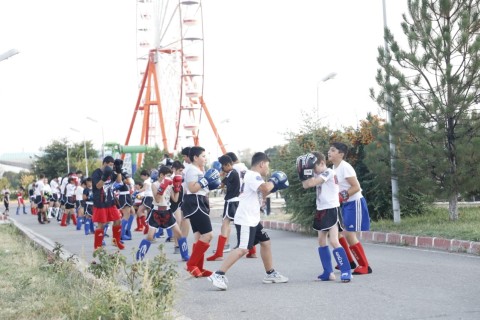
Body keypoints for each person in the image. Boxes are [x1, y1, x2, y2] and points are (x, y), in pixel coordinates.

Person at [208, 152, 289, 290]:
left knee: (265, 242)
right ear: (262, 164)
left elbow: (263, 192)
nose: (268, 170)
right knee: (242, 249)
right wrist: (274, 181)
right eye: (267, 166)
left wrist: (275, 186)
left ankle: (270, 273)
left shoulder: (252, 177)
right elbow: (264, 188)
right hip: (246, 219)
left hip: (253, 219)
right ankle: (219, 274)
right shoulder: (253, 175)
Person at [298, 152, 352, 282]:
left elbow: (312, 183)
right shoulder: (318, 173)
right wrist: (302, 173)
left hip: (331, 209)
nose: (313, 170)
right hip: (321, 209)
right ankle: (328, 272)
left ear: (322, 163)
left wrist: (307, 175)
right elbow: (305, 185)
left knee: (334, 240)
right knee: (321, 241)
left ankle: (346, 271)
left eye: (314, 167)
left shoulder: (328, 173)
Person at [328, 142, 372, 275]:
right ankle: (348, 261)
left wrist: (342, 196)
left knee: (349, 234)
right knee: (338, 233)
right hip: (344, 204)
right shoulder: (333, 168)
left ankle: (365, 266)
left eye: (333, 150)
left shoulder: (345, 167)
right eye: (329, 150)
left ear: (341, 154)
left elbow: (356, 187)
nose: (329, 152)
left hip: (354, 202)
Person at [136, 165, 190, 261]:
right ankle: (139, 256)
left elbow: (175, 199)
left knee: (179, 234)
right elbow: (157, 199)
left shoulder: (170, 185)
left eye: (170, 175)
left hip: (167, 211)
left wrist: (177, 188)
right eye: (168, 175)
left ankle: (185, 255)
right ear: (161, 175)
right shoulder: (154, 185)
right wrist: (163, 186)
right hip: (156, 212)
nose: (170, 177)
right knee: (150, 236)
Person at [182, 146, 221, 277]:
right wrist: (205, 180)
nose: (205, 158)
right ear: (195, 157)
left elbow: (203, 186)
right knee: (208, 235)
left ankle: (198, 267)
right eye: (203, 156)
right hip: (195, 202)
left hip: (200, 201)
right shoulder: (191, 170)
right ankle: (191, 264)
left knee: (199, 236)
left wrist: (211, 181)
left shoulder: (198, 169)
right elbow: (192, 188)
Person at [207, 155, 240, 261]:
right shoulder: (233, 172)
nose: (222, 169)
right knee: (242, 224)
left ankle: (219, 253)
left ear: (227, 165)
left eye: (222, 167)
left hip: (231, 202)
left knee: (225, 224)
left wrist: (208, 182)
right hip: (235, 201)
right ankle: (251, 250)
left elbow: (220, 184)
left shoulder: (232, 173)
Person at [225, 151, 256, 258]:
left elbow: (226, 182)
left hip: (235, 197)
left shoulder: (234, 169)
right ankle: (251, 249)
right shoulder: (244, 167)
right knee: (246, 223)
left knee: (228, 222)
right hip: (244, 197)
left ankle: (224, 248)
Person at [91, 156, 125, 250]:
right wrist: (104, 177)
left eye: (112, 165)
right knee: (102, 224)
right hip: (100, 202)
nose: (111, 167)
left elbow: (119, 181)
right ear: (105, 163)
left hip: (110, 201)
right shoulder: (96, 173)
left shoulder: (111, 172)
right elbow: (98, 186)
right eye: (110, 165)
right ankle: (97, 246)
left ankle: (116, 241)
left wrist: (118, 171)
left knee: (118, 220)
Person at [169, 160, 185, 253]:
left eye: (182, 171)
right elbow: (174, 199)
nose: (181, 172)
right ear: (174, 169)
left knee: (179, 223)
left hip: (178, 205)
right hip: (169, 205)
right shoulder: (170, 180)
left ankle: (177, 245)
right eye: (179, 170)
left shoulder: (180, 179)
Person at [136, 169, 154, 234]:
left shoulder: (146, 181)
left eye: (142, 176)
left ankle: (147, 226)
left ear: (146, 175)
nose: (142, 178)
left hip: (147, 197)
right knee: (149, 214)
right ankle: (149, 227)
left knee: (139, 212)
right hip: (150, 197)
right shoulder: (151, 180)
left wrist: (136, 191)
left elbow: (144, 189)